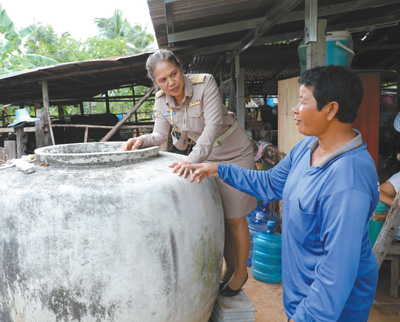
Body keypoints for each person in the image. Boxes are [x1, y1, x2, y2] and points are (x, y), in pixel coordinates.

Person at [180, 65, 379, 321]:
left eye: (302, 101)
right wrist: (218, 169)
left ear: (331, 109)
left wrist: (305, 318)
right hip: (302, 299)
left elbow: (337, 271)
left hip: (330, 312)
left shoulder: (347, 181)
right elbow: (271, 184)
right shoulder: (308, 148)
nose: (294, 110)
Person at [122, 50, 256, 296]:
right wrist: (141, 140)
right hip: (206, 159)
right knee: (222, 215)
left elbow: (213, 127)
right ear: (155, 83)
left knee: (236, 217)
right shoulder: (161, 100)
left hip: (234, 153)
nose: (171, 83)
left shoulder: (205, 83)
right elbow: (161, 136)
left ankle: (241, 273)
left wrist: (190, 161)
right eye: (162, 80)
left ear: (181, 68)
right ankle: (229, 268)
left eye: (173, 74)